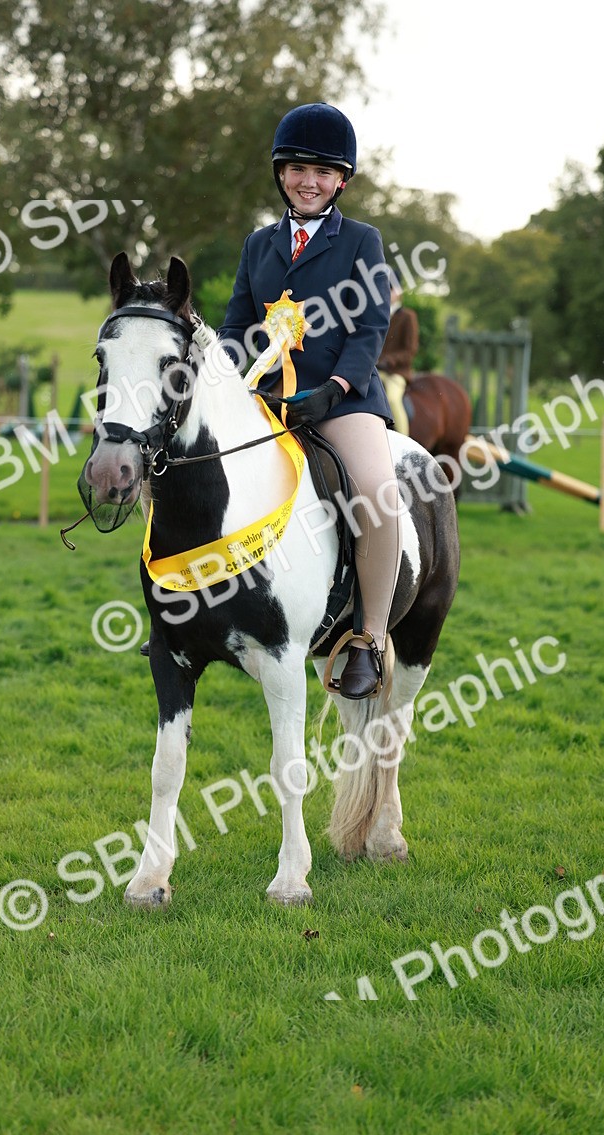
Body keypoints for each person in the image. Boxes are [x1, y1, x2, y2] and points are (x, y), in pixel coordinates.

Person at [219, 102, 402, 700]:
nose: (309, 181)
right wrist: (217, 374)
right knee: (190, 466)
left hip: (343, 399)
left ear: (341, 181)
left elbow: (371, 328)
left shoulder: (361, 241)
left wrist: (337, 390)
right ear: (281, 173)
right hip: (267, 400)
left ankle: (368, 638)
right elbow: (237, 326)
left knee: (377, 492)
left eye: (323, 172)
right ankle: (187, 609)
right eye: (298, 168)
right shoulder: (258, 245)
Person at [377, 272, 419, 437]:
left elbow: (409, 351)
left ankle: (404, 441)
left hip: (396, 372)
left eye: (391, 289)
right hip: (375, 370)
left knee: (393, 399)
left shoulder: (408, 316)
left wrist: (387, 361)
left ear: (399, 292)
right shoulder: (377, 313)